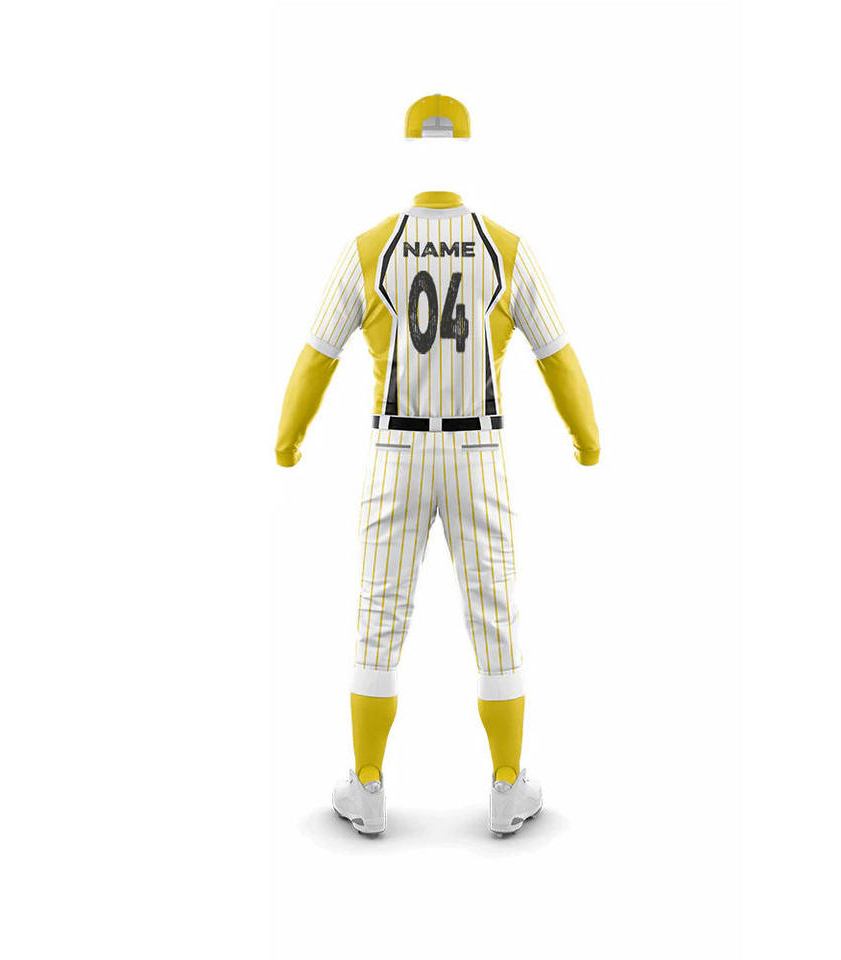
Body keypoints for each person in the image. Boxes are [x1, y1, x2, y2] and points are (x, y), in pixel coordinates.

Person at [276, 96, 599, 836]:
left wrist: (288, 441)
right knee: (495, 611)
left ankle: (366, 784)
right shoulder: (505, 248)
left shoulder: (370, 247)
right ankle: (508, 784)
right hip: (477, 449)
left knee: (378, 610)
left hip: (396, 448)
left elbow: (316, 356)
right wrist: (587, 440)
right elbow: (557, 356)